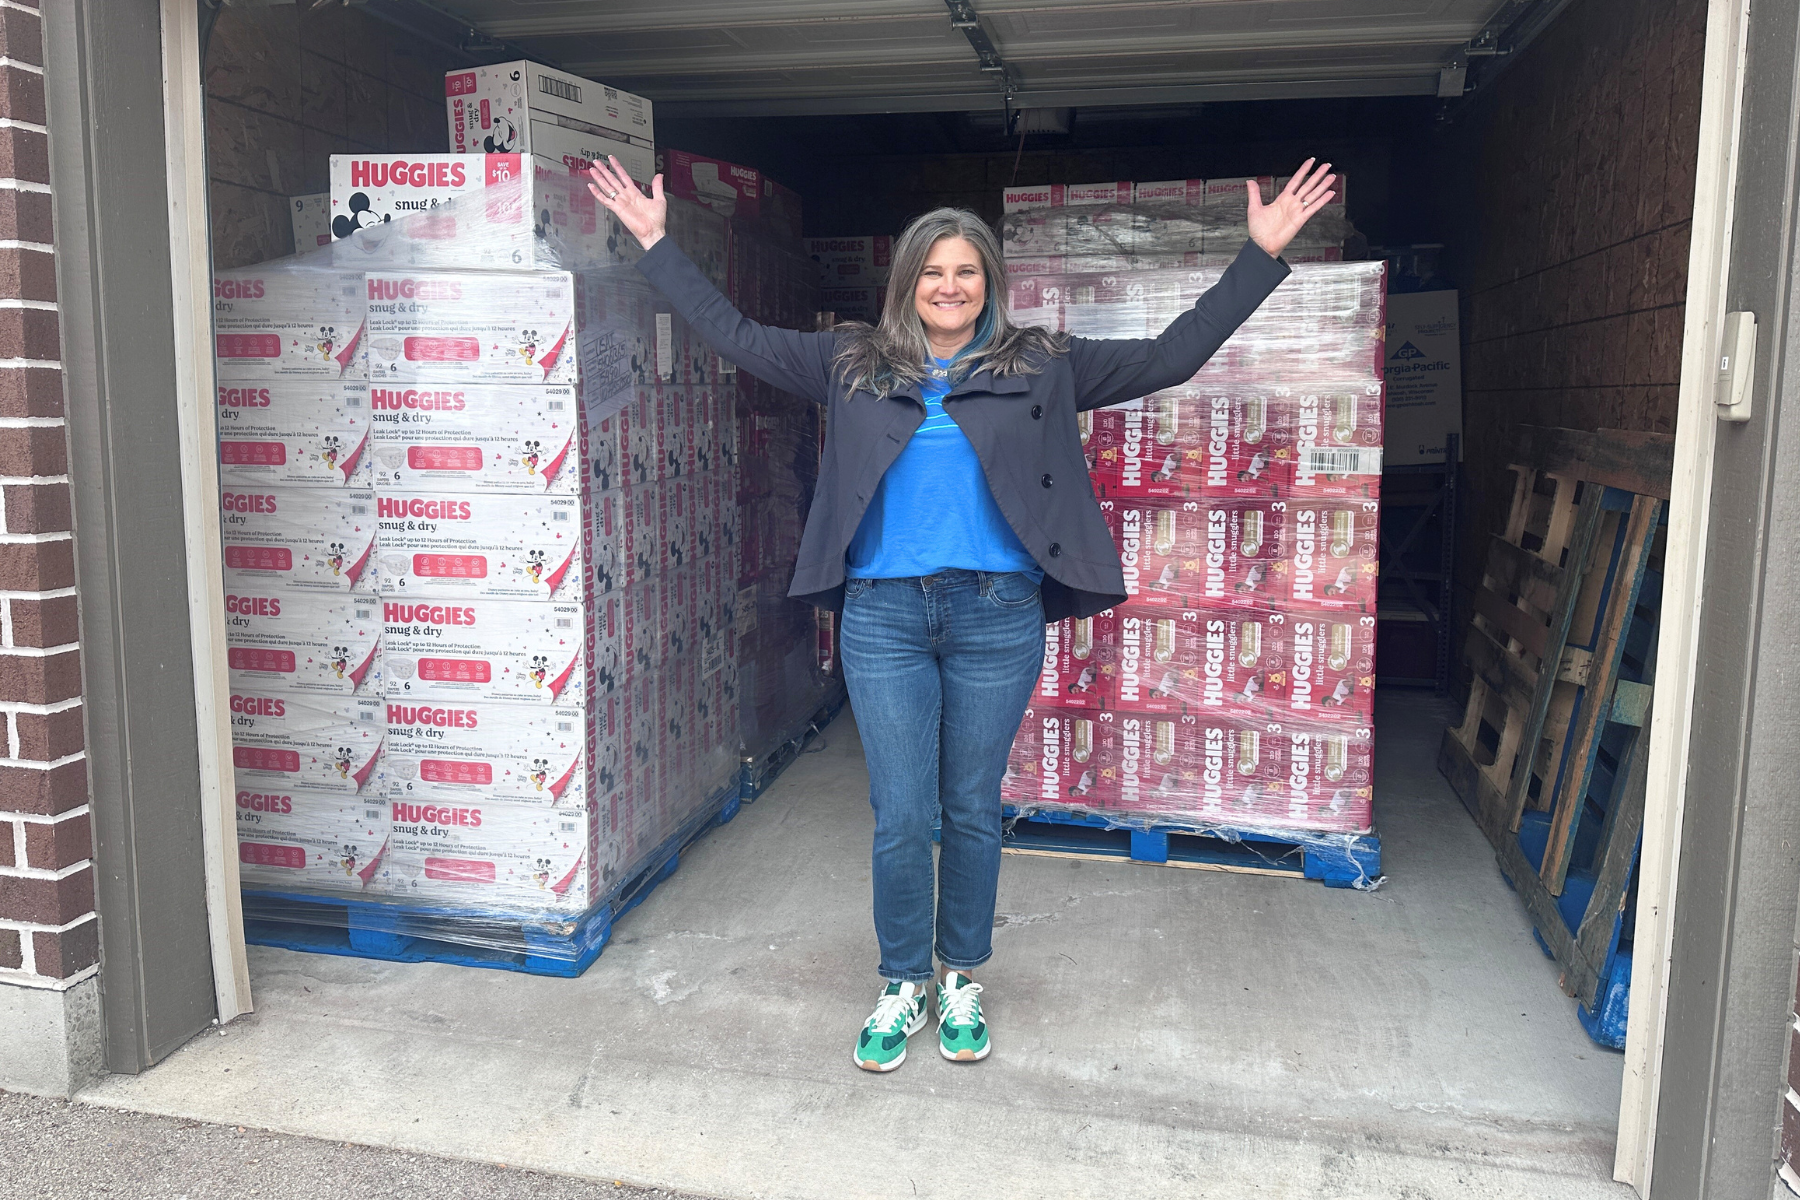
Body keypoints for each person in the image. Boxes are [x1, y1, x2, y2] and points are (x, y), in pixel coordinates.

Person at [587, 155, 1337, 1072]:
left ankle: (964, 975)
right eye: (933, 270)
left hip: (996, 614)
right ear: (909, 282)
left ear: (989, 284)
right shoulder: (849, 361)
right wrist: (657, 242)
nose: (949, 285)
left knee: (973, 807)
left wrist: (1258, 256)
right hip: (884, 616)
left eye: (966, 271)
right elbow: (734, 333)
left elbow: (1170, 355)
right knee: (903, 812)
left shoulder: (1041, 365)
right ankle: (903, 981)